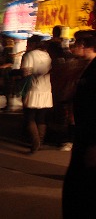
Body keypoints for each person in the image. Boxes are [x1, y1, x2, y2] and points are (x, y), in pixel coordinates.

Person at [62, 35, 96, 218]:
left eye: (76, 43)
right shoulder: (84, 67)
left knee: (80, 191)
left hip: (89, 140)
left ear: (85, 45)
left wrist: (94, 144)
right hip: (83, 136)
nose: (73, 46)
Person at [20, 35, 53, 153]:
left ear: (33, 44)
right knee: (41, 118)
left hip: (33, 89)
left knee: (30, 117)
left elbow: (25, 72)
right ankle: (41, 141)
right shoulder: (47, 55)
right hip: (46, 90)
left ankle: (35, 142)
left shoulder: (29, 55)